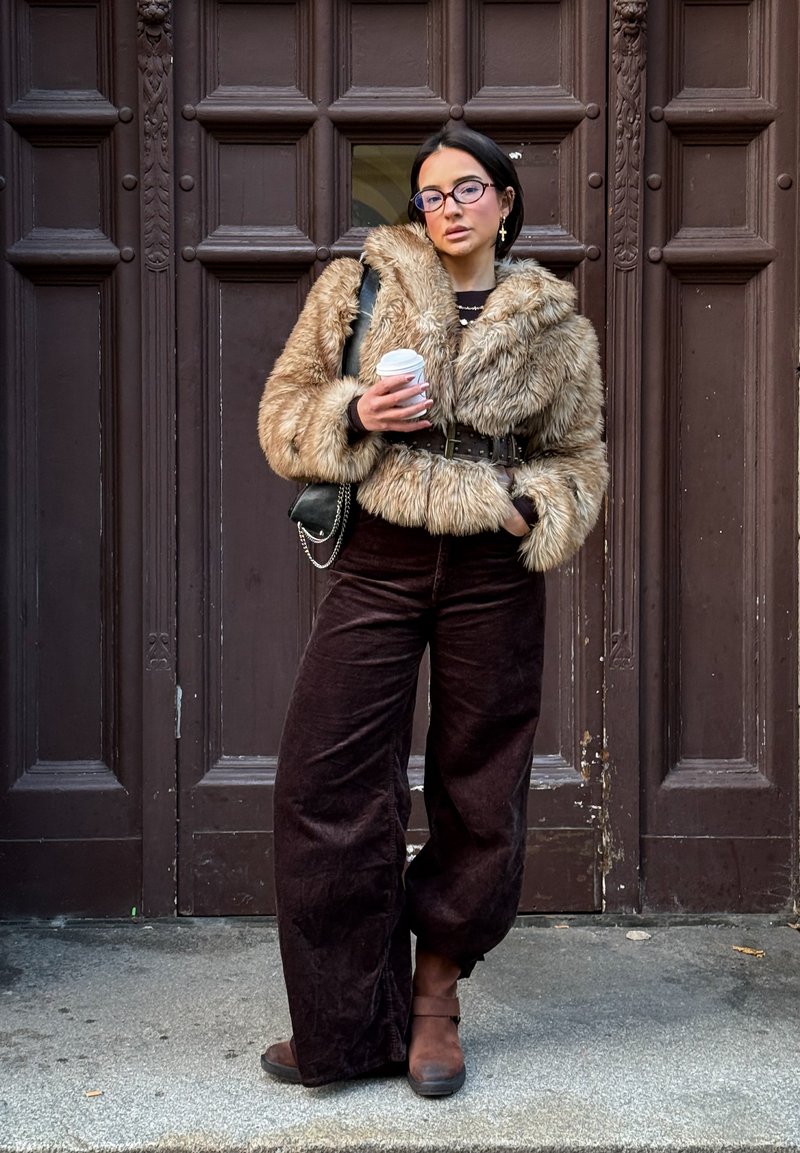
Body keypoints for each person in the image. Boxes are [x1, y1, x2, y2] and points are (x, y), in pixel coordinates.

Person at [256, 123, 607, 1096]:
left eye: (464, 189)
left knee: (479, 786)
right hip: (379, 556)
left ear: (502, 200)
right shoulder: (355, 286)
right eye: (427, 194)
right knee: (324, 777)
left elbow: (579, 458)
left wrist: (539, 504)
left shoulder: (553, 325)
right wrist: (353, 414)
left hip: (493, 562)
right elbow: (283, 414)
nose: (444, 207)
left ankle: (432, 1000)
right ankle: (341, 1020)